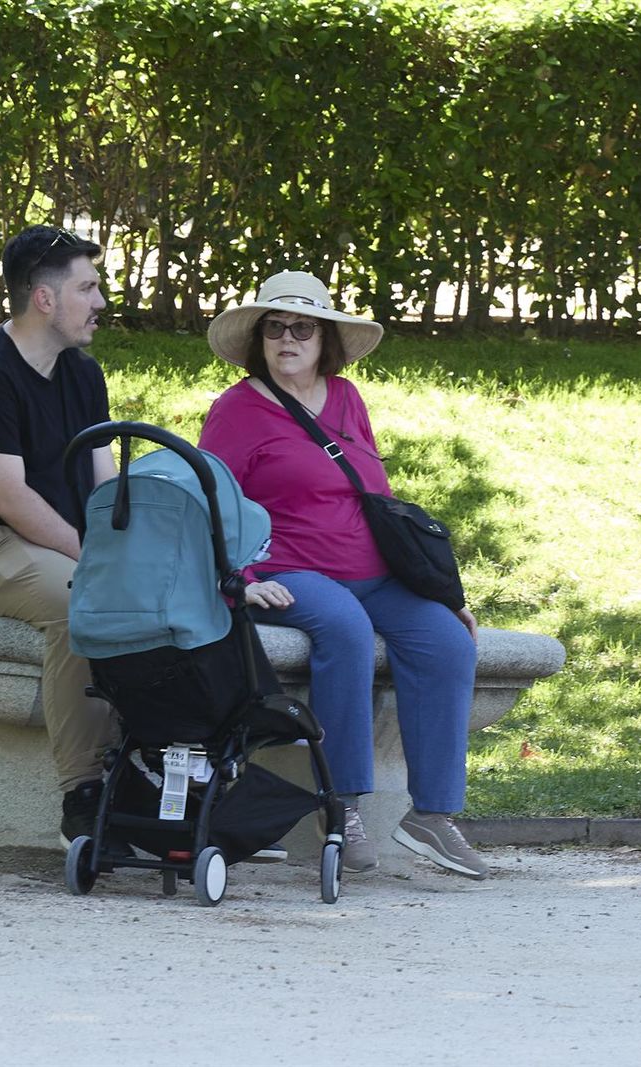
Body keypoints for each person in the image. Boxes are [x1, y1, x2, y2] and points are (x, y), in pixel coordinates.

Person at [197, 270, 488, 879]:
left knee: (444, 639)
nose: (287, 340)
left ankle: (431, 814)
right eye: (274, 327)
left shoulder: (347, 397)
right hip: (288, 568)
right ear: (259, 339)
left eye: (302, 328)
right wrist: (238, 578)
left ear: (324, 339)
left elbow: (375, 494)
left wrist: (438, 592)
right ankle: (343, 805)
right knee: (346, 631)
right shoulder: (237, 409)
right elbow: (211, 503)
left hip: (375, 572)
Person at [0, 224, 118, 848]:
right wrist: (92, 560)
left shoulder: (82, 375)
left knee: (152, 595)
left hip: (52, 545)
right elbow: (10, 499)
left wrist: (126, 553)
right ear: (44, 299)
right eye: (87, 288)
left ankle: (168, 773)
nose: (99, 301)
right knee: (80, 602)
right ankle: (83, 796)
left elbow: (104, 481)